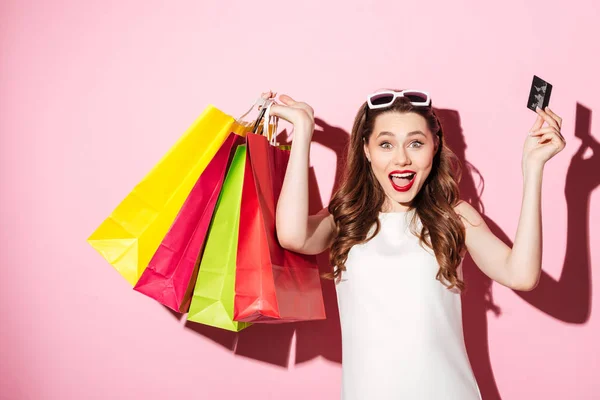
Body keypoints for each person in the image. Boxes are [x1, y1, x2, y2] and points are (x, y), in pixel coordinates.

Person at [266, 89, 565, 400]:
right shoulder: (346, 219)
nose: (402, 159)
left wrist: (533, 169)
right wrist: (303, 131)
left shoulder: (453, 216)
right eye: (385, 144)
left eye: (415, 143)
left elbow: (521, 275)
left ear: (434, 147)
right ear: (366, 150)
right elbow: (292, 235)